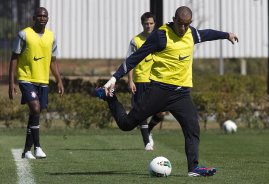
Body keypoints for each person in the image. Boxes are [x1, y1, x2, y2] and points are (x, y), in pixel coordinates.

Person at [93, 6, 238, 176]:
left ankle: (193, 168)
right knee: (126, 125)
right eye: (180, 24)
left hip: (181, 94)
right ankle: (109, 97)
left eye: (186, 25)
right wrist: (115, 78)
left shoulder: (192, 33)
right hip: (159, 91)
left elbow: (207, 34)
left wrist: (226, 35)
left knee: (192, 128)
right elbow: (136, 57)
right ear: (174, 19)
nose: (183, 29)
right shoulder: (161, 36)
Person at [8, 7, 64, 159]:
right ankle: (38, 147)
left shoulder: (51, 36)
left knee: (35, 112)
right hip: (26, 78)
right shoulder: (24, 34)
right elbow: (14, 58)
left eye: (44, 16)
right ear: (33, 18)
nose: (42, 18)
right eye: (39, 16)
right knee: (35, 107)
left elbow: (53, 62)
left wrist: (59, 80)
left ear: (48, 18)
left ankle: (26, 151)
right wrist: (11, 82)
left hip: (43, 80)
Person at [127, 12, 165, 151]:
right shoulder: (136, 41)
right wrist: (130, 81)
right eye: (146, 23)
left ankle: (148, 130)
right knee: (141, 111)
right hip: (140, 80)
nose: (148, 26)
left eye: (151, 23)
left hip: (157, 80)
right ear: (142, 24)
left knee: (162, 112)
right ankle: (146, 142)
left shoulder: (160, 39)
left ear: (155, 24)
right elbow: (129, 62)